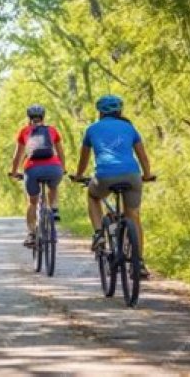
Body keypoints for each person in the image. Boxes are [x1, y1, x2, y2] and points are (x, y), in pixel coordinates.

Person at [73, 94, 155, 277]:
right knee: (133, 215)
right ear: (120, 111)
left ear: (100, 112)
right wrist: (147, 175)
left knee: (93, 196)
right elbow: (142, 156)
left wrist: (79, 176)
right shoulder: (129, 127)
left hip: (104, 176)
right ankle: (139, 263)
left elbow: (83, 159)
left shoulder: (92, 129)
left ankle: (98, 234)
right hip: (132, 175)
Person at [8, 104, 66, 248]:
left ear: (29, 118)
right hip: (54, 168)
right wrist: (62, 168)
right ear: (43, 117)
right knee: (53, 186)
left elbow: (17, 156)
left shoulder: (24, 131)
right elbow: (60, 153)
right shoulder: (52, 130)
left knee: (32, 202)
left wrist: (14, 172)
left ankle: (31, 234)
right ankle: (54, 208)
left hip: (32, 168)